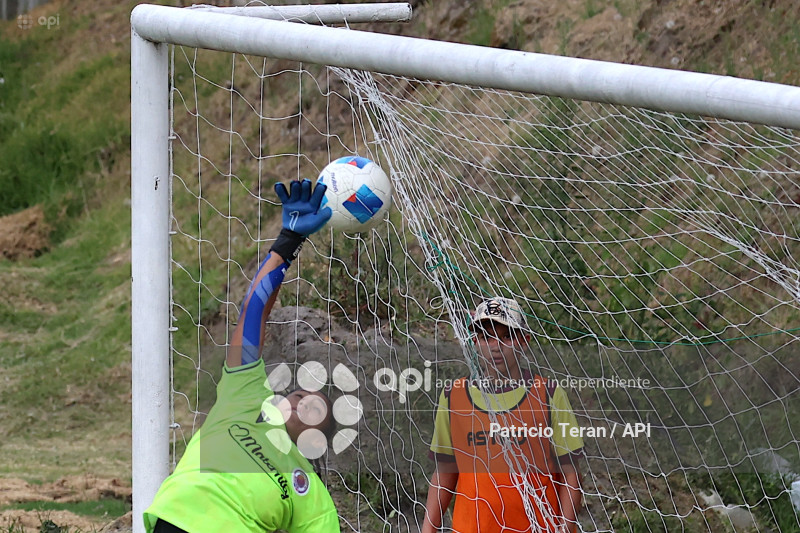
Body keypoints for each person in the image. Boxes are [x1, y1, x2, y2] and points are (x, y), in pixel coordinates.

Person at [143, 179, 340, 533]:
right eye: (298, 394)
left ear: (317, 442)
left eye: (313, 410)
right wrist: (288, 242)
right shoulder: (245, 396)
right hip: (175, 523)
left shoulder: (309, 492)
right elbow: (253, 311)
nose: (300, 402)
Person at [423, 297, 584, 533]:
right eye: (486, 337)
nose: (495, 346)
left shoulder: (548, 394)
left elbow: (571, 475)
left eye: (506, 336)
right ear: (475, 342)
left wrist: (566, 528)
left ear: (524, 341)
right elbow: (446, 470)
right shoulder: (454, 396)